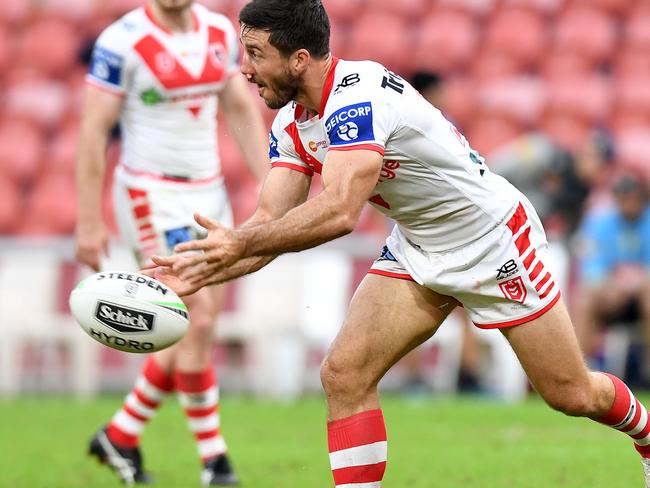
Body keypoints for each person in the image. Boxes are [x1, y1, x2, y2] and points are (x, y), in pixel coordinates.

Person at [146, 0, 650, 485]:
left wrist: (235, 246)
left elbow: (341, 211)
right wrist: (192, 273)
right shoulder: (292, 124)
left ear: (299, 58)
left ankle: (647, 436)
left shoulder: (356, 97)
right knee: (344, 374)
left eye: (255, 53)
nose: (245, 70)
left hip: (492, 241)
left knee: (570, 393)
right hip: (418, 247)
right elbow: (266, 226)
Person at [75, 0, 268, 485]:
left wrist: (272, 181)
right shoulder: (123, 42)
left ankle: (120, 435)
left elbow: (239, 104)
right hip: (151, 193)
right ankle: (215, 462)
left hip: (208, 190)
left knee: (198, 326)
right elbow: (94, 132)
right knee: (196, 317)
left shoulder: (219, 33)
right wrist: (88, 219)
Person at [574, 172, 650, 378]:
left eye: (634, 197)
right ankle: (579, 373)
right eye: (624, 198)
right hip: (612, 297)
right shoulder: (599, 222)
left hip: (643, 296)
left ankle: (647, 371)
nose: (629, 203)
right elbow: (590, 265)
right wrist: (608, 283)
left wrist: (633, 282)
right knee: (586, 298)